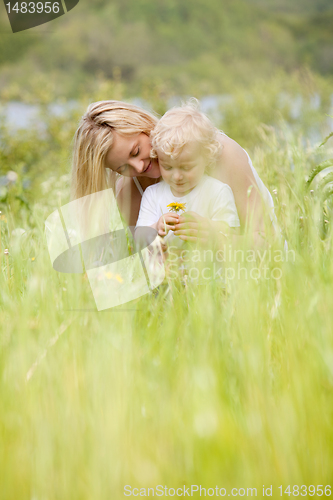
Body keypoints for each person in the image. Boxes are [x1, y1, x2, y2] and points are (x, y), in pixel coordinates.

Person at [71, 99, 277, 244]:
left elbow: (268, 242)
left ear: (143, 126)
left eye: (136, 151)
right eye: (122, 168)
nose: (139, 167)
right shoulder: (129, 190)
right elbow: (146, 253)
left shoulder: (221, 154)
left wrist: (215, 238)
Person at [135, 104, 240, 250]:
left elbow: (231, 232)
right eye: (168, 167)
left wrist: (209, 229)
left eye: (186, 168)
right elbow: (139, 238)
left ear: (206, 157)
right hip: (169, 268)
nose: (177, 176)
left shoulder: (217, 191)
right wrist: (156, 227)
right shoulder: (153, 195)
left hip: (208, 269)